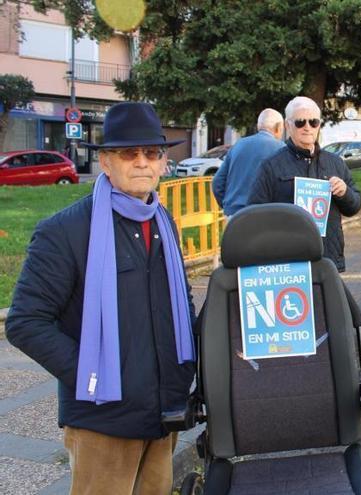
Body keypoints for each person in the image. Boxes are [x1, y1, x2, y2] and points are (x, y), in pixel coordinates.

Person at [6, 102, 196, 494]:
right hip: (102, 422)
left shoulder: (165, 223)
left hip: (164, 416)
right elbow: (25, 321)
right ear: (106, 162)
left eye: (152, 153)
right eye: (129, 153)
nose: (142, 162)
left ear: (163, 163)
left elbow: (180, 304)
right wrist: (92, 375)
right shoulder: (66, 231)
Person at [248, 96, 361, 272]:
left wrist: (344, 192)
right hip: (289, 261)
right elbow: (255, 213)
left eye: (313, 122)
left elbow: (354, 206)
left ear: (319, 125)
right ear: (288, 126)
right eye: (300, 122)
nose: (307, 127)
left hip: (327, 259)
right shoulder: (271, 166)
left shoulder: (335, 163)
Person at [212, 108, 285, 216]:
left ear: (258, 126)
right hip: (267, 217)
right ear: (278, 127)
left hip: (235, 215)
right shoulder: (282, 150)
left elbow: (217, 182)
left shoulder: (238, 145)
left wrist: (228, 205)